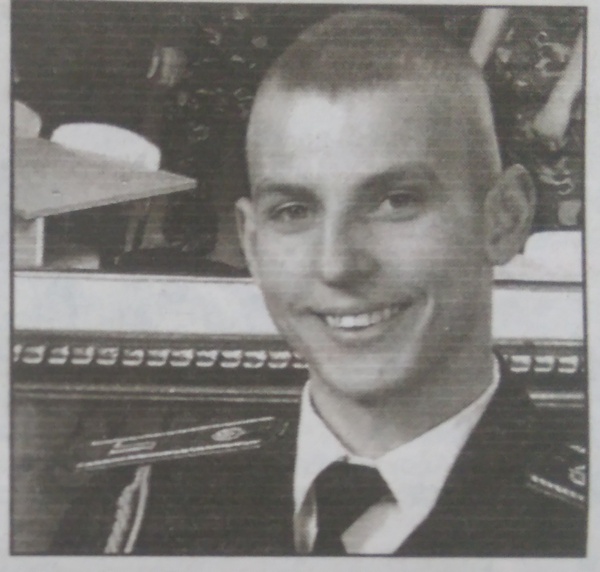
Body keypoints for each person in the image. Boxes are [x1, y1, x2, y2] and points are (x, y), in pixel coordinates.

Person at [51, 10, 586, 556]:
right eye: (293, 211)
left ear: (503, 219)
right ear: (252, 244)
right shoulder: (131, 517)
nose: (337, 264)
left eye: (396, 201)